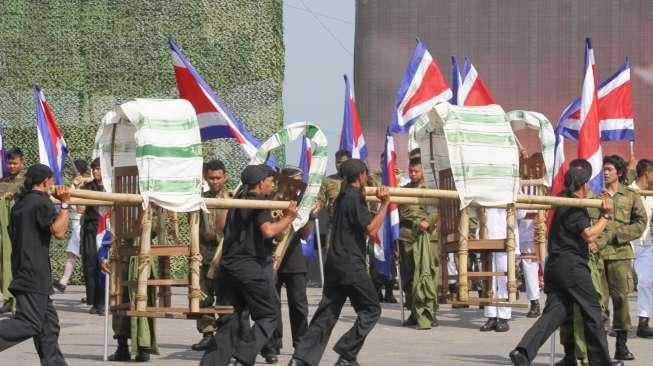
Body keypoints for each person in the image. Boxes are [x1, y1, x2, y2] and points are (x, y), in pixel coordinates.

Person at [509, 159, 622, 366]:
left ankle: (523, 352)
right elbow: (589, 235)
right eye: (588, 183)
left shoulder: (562, 200)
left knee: (554, 314)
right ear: (584, 185)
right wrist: (606, 216)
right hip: (572, 267)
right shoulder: (573, 205)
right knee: (592, 312)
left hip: (556, 267)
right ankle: (601, 363)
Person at [288, 159, 390, 366]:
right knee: (371, 310)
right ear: (361, 176)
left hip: (334, 263)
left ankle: (300, 359)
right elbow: (371, 228)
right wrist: (386, 203)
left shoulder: (341, 197)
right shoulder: (354, 198)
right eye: (366, 174)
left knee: (327, 314)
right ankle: (347, 353)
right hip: (351, 264)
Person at [200, 164, 298, 366]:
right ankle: (244, 355)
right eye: (270, 182)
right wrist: (289, 217)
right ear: (261, 183)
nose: (272, 186)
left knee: (230, 321)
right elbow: (268, 231)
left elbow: (220, 226)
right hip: (250, 269)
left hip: (228, 269)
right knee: (269, 315)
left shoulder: (237, 201)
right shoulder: (259, 202)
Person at [0, 164, 70, 365]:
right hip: (34, 273)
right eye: (51, 181)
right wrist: (65, 205)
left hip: (23, 270)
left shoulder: (20, 204)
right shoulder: (41, 203)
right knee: (29, 323)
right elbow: (59, 232)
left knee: (48, 325)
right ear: (46, 181)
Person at [261, 165, 317, 364]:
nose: (298, 187)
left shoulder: (301, 202)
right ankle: (271, 347)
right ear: (283, 181)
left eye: (300, 183)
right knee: (271, 305)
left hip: (294, 259)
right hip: (271, 258)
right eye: (295, 182)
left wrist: (310, 216)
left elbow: (304, 234)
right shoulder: (269, 198)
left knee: (299, 305)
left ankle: (301, 346)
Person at [598, 155, 646, 360]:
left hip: (620, 255)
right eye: (604, 169)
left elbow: (641, 222)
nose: (605, 172)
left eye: (609, 169)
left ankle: (621, 346)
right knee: (598, 302)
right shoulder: (594, 195)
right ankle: (600, 350)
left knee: (622, 301)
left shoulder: (631, 195)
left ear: (619, 172)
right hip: (598, 255)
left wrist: (619, 235)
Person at [191, 160, 229, 351]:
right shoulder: (199, 199)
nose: (215, 182)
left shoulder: (232, 198)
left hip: (224, 257)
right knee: (203, 298)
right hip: (204, 255)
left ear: (225, 177)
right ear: (206, 178)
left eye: (218, 178)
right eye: (211, 178)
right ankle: (207, 334)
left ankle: (224, 336)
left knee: (225, 299)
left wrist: (217, 233)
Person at [398, 157, 440, 329]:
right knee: (408, 276)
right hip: (406, 236)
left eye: (416, 171)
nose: (413, 174)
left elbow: (438, 210)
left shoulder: (431, 188)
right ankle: (414, 312)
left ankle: (430, 312)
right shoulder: (403, 190)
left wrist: (428, 222)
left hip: (426, 236)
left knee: (427, 275)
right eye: (411, 171)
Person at [478, 208, 522, 333]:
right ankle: (491, 316)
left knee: (504, 279)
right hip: (487, 235)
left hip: (506, 235)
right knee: (489, 280)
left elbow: (521, 214)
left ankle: (503, 317)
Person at [53, 159, 90, 293]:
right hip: (75, 223)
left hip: (82, 223)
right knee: (72, 253)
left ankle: (90, 289)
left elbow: (81, 207)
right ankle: (63, 282)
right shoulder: (75, 184)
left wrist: (81, 182)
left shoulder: (86, 184)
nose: (70, 171)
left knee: (87, 256)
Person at [628, 159, 653, 338]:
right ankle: (618, 323)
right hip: (628, 244)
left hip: (647, 244)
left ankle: (643, 322)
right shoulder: (629, 192)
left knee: (645, 282)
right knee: (621, 286)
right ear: (647, 173)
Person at [0, 148, 25, 314]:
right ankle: (7, 298)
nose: (12, 166)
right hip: (3, 228)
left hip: (18, 229)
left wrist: (14, 197)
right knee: (3, 263)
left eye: (15, 163)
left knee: (15, 262)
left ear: (21, 163)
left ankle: (17, 300)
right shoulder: (2, 181)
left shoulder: (26, 182)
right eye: (9, 163)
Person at [79, 158, 106, 314]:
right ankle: (95, 302)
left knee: (103, 264)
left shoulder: (111, 186)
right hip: (90, 229)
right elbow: (80, 209)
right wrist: (78, 188)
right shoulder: (88, 187)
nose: (96, 171)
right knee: (90, 264)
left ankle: (103, 302)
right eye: (94, 169)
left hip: (105, 230)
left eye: (99, 168)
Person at [317, 149, 351, 250]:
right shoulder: (328, 181)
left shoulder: (357, 180)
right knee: (331, 255)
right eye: (338, 162)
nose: (340, 165)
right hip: (334, 224)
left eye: (343, 162)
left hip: (353, 225)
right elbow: (320, 200)